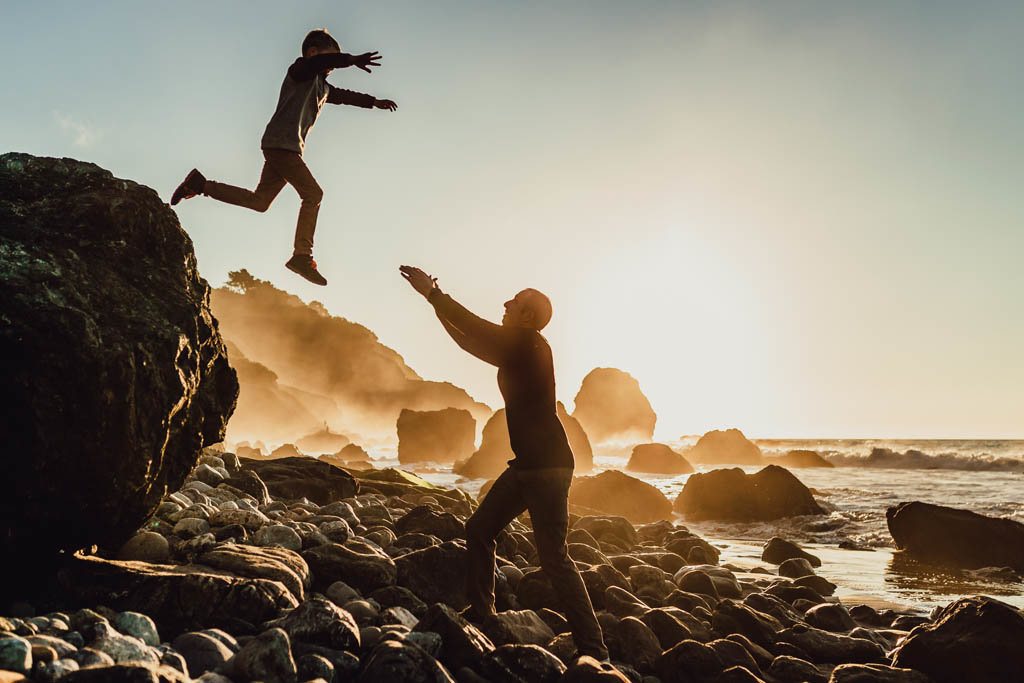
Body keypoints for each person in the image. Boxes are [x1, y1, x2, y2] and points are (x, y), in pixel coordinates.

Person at [399, 265, 609, 660]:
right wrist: (433, 303)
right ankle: (482, 615)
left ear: (528, 316)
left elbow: (475, 329)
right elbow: (469, 341)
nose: (506, 303)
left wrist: (433, 295)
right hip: (528, 465)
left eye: (514, 301)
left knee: (553, 558)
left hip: (548, 468)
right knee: (479, 528)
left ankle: (595, 648)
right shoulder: (517, 345)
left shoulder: (528, 344)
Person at [170, 28, 397, 286]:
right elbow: (320, 64)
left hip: (285, 147)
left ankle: (200, 185)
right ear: (312, 52)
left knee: (260, 201)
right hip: (281, 146)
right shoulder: (300, 71)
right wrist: (350, 59)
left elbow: (344, 96)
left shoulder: (322, 86)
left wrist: (374, 102)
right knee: (313, 194)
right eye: (330, 59)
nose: (332, 66)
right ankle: (302, 256)